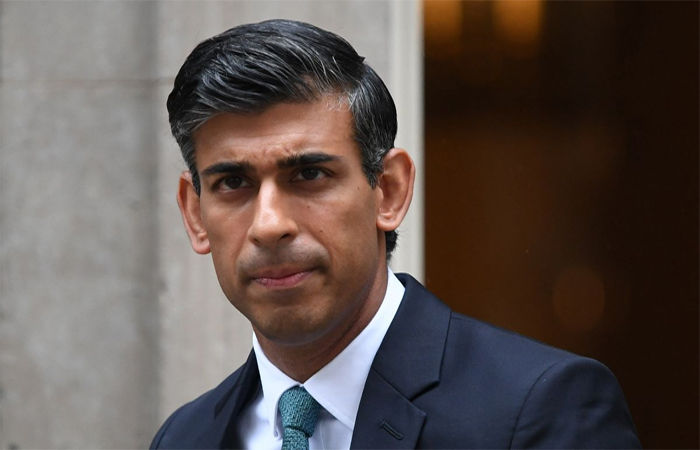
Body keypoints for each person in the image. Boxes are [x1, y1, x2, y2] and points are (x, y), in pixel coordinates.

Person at [150, 19, 640, 449]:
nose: (270, 224)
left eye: (309, 175)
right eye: (233, 183)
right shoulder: (185, 439)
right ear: (195, 214)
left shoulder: (540, 408)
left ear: (389, 191)